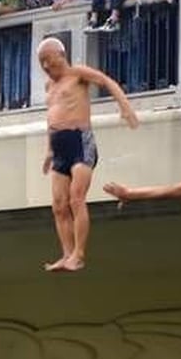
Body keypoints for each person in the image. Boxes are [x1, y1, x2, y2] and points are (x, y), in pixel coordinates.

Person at [38, 37, 139, 272]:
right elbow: (51, 117)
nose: (45, 67)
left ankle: (79, 254)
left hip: (80, 141)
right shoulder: (48, 86)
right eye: (41, 63)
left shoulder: (77, 74)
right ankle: (66, 254)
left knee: (76, 198)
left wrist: (125, 107)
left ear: (60, 56)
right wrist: (48, 150)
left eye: (48, 61)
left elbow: (106, 81)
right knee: (58, 205)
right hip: (59, 146)